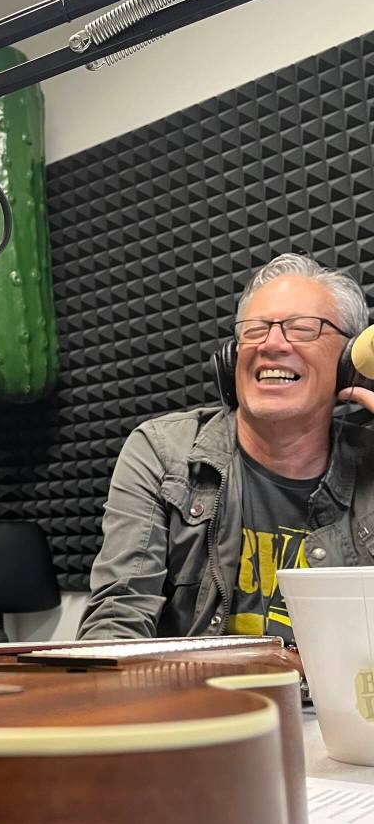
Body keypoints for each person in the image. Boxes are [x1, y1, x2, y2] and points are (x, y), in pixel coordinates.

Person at [78, 253, 374, 641]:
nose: (271, 344)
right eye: (254, 330)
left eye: (302, 329)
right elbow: (118, 617)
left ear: (348, 361)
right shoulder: (163, 453)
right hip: (201, 699)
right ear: (232, 356)